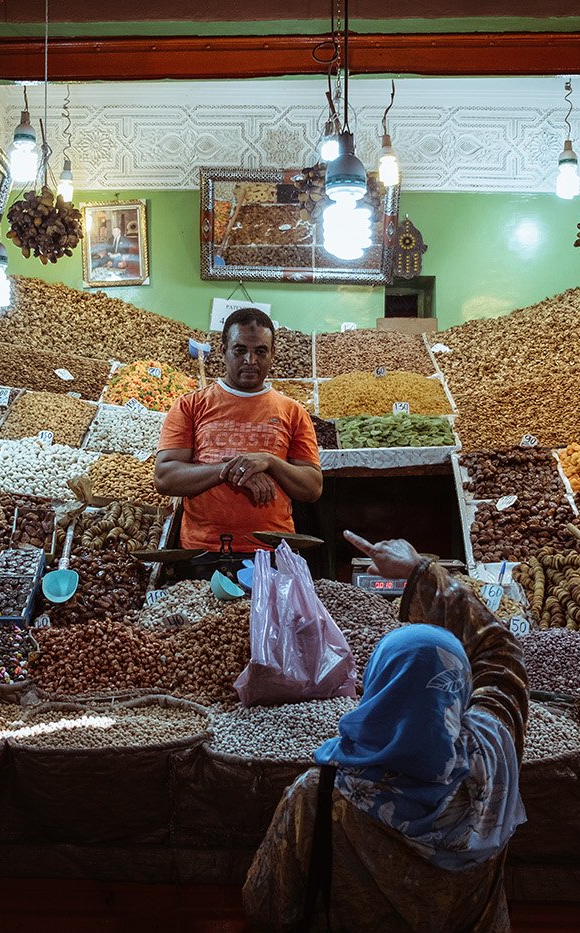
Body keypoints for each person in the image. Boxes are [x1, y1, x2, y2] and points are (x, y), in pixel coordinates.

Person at [243, 531, 528, 933]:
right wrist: (420, 572)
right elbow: (501, 659)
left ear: (376, 691)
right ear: (459, 691)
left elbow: (267, 906)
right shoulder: (491, 759)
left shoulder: (318, 797)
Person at [155, 307, 322, 554]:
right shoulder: (190, 405)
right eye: (240, 350)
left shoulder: (293, 411)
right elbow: (165, 478)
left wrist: (269, 462)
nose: (250, 360)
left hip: (272, 551)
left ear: (273, 353)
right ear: (223, 351)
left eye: (260, 351)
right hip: (201, 552)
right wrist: (235, 469)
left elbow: (312, 488)